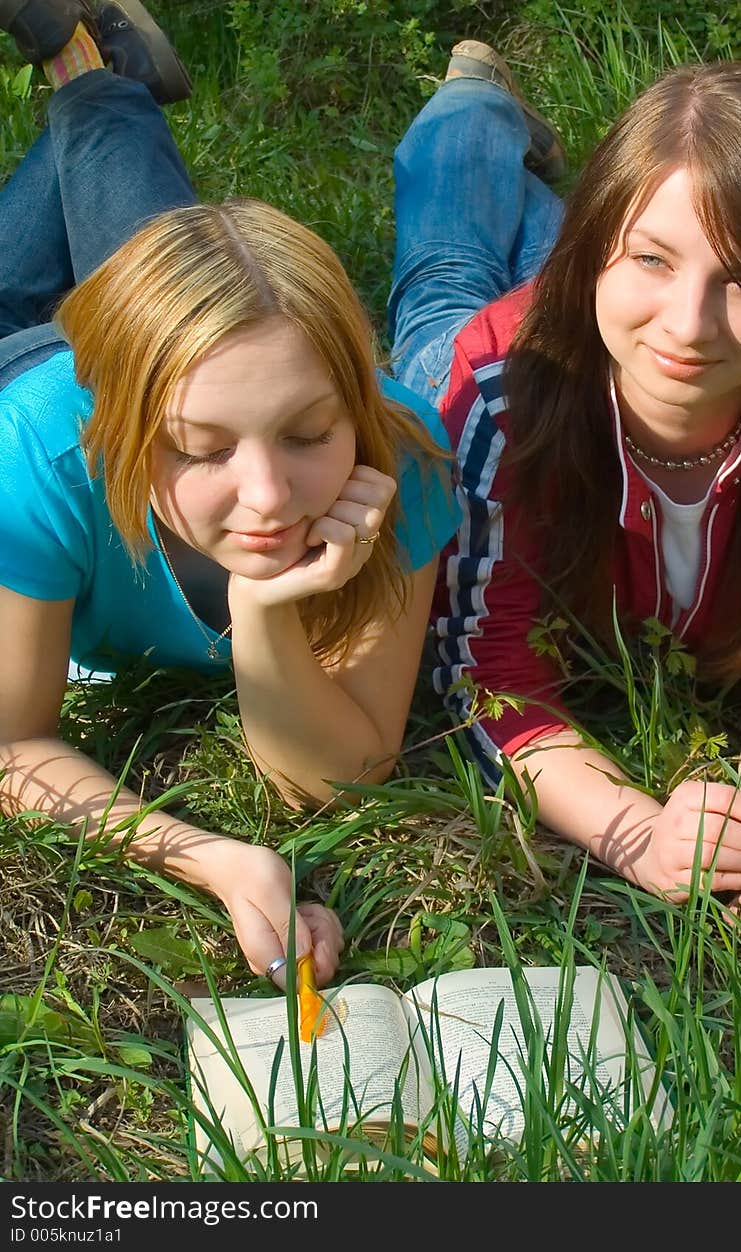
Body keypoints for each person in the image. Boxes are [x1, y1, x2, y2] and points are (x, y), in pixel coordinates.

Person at [0, 2, 460, 988]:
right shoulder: (35, 460)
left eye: (308, 434)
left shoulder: (405, 454)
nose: (267, 495)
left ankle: (95, 71)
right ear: (122, 432)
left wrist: (261, 609)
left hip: (146, 354)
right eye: (198, 449)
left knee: (161, 253)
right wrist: (205, 856)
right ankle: (95, 72)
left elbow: (344, 773)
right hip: (22, 376)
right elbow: (12, 740)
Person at [388, 42, 741, 940]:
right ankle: (470, 104)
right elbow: (487, 670)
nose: (690, 327)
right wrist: (636, 835)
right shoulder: (496, 387)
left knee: (580, 270)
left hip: (588, 299)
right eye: (650, 258)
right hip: (485, 363)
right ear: (602, 254)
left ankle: (570, 213)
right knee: (442, 288)